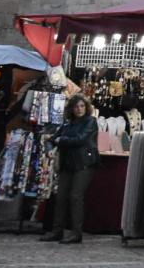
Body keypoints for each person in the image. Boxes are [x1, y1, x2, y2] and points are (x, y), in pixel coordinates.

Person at [36, 95, 96, 243]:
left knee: (76, 197)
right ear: (71, 109)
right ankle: (57, 231)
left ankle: (76, 233)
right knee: (61, 197)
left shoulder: (90, 122)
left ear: (86, 107)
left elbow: (80, 139)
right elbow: (52, 139)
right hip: (67, 164)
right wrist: (51, 147)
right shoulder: (68, 123)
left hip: (83, 163)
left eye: (82, 106)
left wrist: (61, 140)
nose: (79, 109)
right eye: (76, 106)